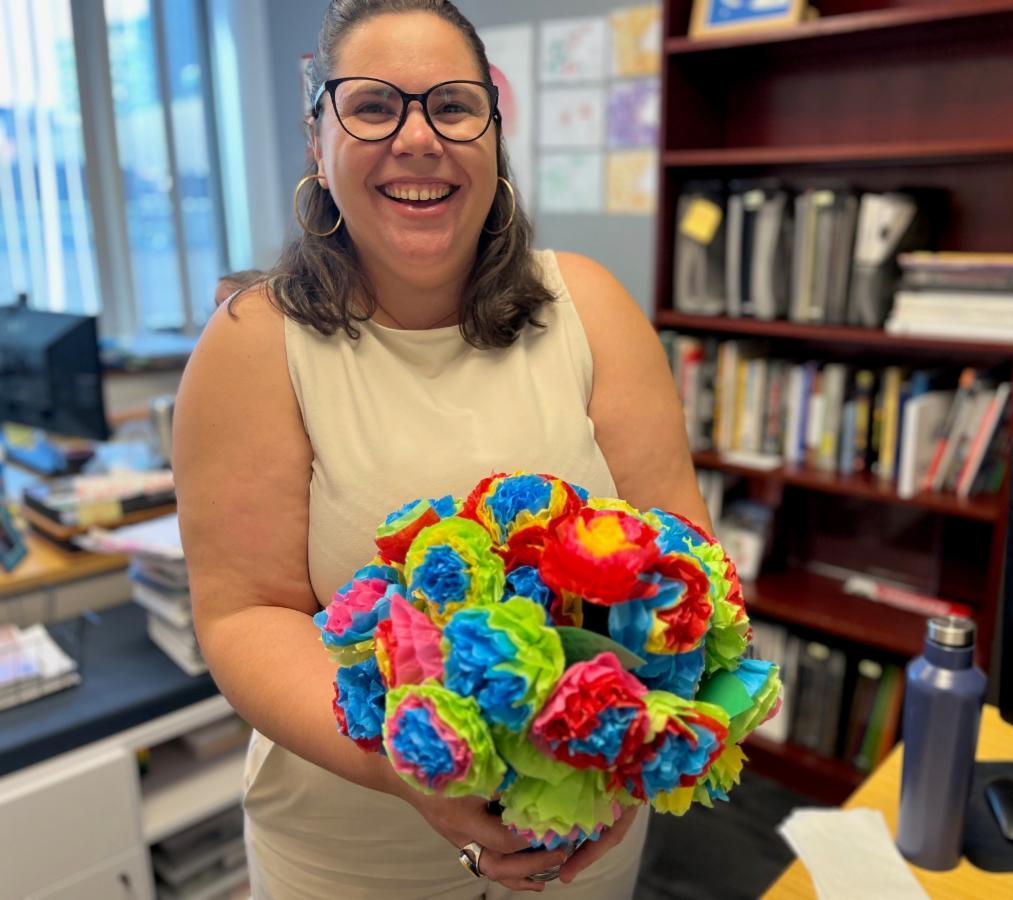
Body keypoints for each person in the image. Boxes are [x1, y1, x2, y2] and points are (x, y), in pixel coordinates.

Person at [173, 1, 709, 897]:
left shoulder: (592, 307)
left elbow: (685, 558)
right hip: (353, 859)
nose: (418, 138)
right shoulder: (252, 344)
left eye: (454, 106)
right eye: (374, 106)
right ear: (318, 142)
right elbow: (243, 615)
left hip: (588, 835)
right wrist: (413, 766)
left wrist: (637, 748)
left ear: (494, 135)